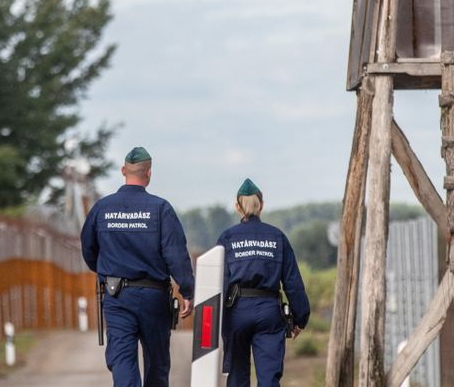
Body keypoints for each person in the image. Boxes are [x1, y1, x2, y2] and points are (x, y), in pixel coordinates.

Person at [80, 146, 195, 387]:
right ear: (149, 173)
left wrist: (106, 270)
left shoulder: (102, 208)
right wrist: (187, 289)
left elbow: (89, 249)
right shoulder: (160, 208)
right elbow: (176, 254)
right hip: (154, 297)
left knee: (122, 360)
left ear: (123, 170)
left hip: (117, 296)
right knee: (157, 362)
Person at [215, 178, 310, 387]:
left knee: (238, 376)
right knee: (269, 378)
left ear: (237, 207)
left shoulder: (227, 238)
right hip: (269, 313)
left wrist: (217, 321)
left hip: (236, 312)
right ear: (262, 206)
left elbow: (219, 282)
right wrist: (300, 318)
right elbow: (292, 282)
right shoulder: (277, 237)